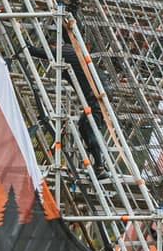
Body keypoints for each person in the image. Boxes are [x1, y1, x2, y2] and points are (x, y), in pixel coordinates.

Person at [28, 41, 108, 177]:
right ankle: (100, 163)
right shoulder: (73, 49)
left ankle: (100, 166)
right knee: (84, 125)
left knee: (89, 126)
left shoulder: (66, 52)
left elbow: (41, 53)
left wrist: (27, 47)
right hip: (98, 92)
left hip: (96, 95)